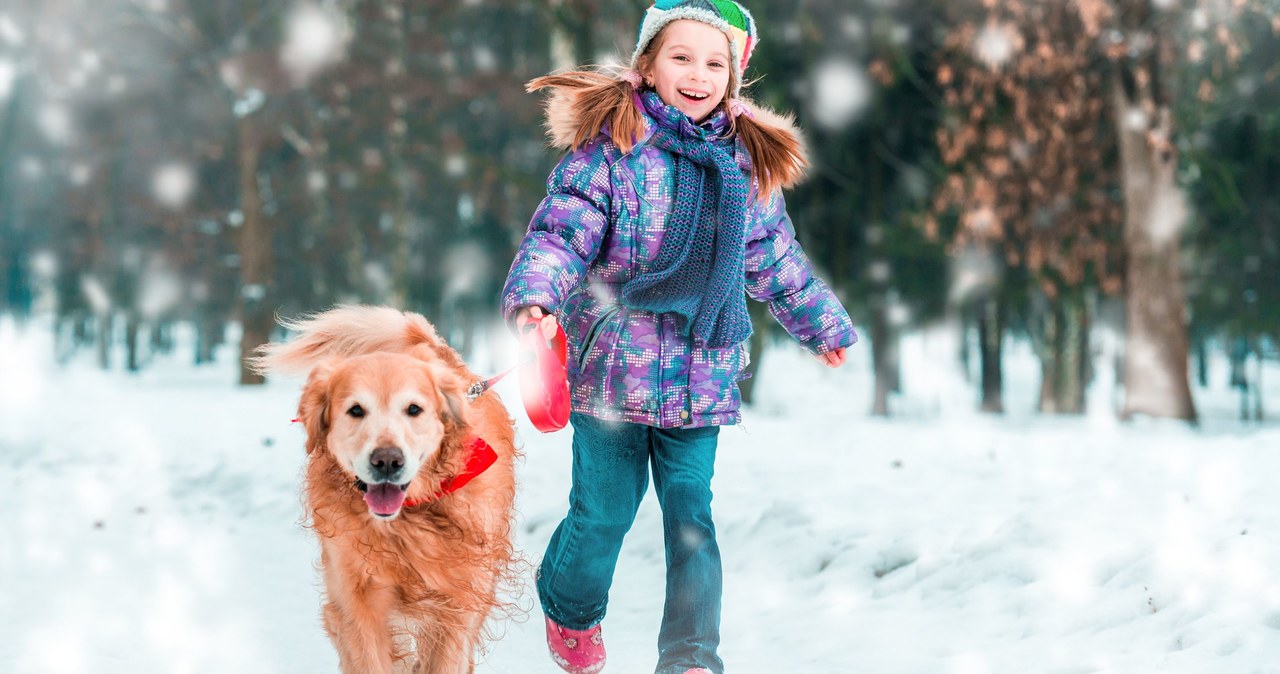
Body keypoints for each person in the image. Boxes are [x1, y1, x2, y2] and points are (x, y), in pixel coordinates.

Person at [500, 2, 856, 672]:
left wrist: (821, 321)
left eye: (714, 62)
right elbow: (560, 233)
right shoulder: (610, 153)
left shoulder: (744, 169)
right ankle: (568, 601)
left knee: (692, 519)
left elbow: (774, 257)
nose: (697, 74)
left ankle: (692, 656)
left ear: (734, 77)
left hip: (701, 376)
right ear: (647, 65)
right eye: (681, 57)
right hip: (611, 376)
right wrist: (538, 298)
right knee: (604, 513)